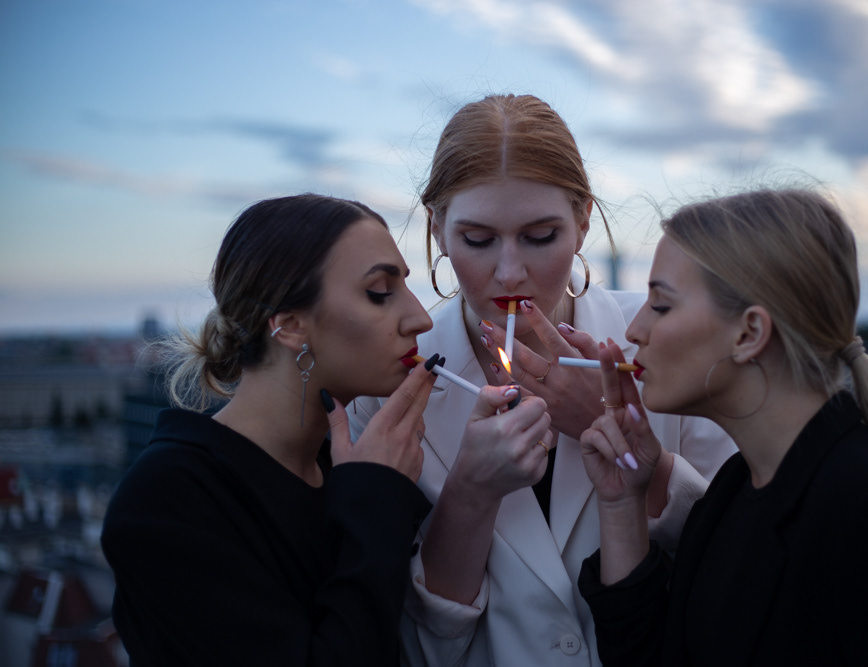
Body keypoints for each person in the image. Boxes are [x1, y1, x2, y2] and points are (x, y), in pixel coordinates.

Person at [348, 94, 735, 666]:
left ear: (582, 221)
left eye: (540, 236)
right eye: (478, 240)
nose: (510, 273)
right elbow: (408, 644)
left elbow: (741, 563)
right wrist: (470, 493)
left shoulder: (664, 343)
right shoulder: (386, 387)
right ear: (438, 229)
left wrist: (617, 440)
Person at [577, 188, 868, 665]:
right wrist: (622, 503)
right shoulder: (732, 491)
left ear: (750, 333)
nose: (634, 330)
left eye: (660, 304)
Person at [102, 194, 444, 665]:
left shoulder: (347, 466)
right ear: (290, 327)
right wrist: (377, 504)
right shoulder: (168, 498)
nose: (421, 318)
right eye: (381, 292)